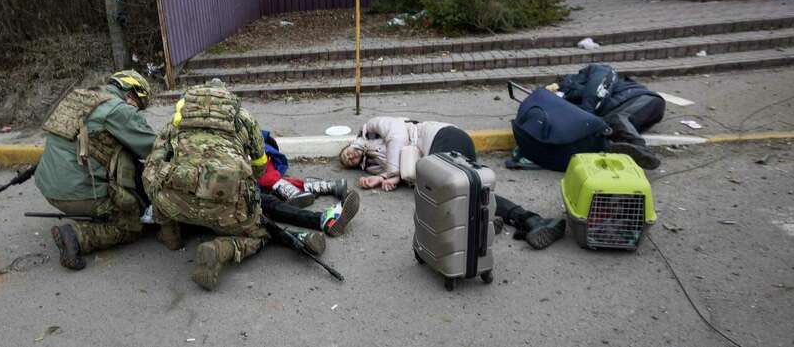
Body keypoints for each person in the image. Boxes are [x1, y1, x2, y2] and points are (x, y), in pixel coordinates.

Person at [143, 81, 331, 290]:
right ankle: (222, 248)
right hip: (227, 212)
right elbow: (260, 168)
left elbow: (154, 163)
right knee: (262, 234)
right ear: (226, 99)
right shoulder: (244, 119)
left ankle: (170, 236)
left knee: (158, 180)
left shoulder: (174, 122)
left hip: (177, 206)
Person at [340, 116, 564, 249]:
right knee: (466, 193)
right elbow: (405, 169)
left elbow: (397, 135)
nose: (348, 157)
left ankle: (494, 222)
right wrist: (385, 177)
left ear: (351, 144)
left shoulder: (371, 127)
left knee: (451, 190)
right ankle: (526, 220)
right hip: (434, 157)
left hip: (443, 137)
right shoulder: (371, 164)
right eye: (347, 162)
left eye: (346, 153)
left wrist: (388, 176)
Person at [33, 70, 157, 271]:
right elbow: (150, 147)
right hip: (77, 195)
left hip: (48, 187)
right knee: (133, 225)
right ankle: (77, 236)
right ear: (132, 93)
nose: (137, 109)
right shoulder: (118, 110)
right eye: (139, 104)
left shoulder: (80, 98)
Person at [556, 64, 665, 169]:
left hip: (642, 99)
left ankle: (642, 150)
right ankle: (623, 148)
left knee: (616, 119)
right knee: (606, 129)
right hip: (626, 116)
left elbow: (598, 85)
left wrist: (587, 113)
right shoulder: (568, 98)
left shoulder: (595, 69)